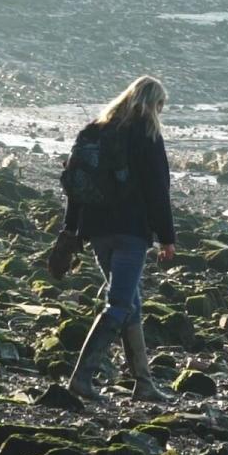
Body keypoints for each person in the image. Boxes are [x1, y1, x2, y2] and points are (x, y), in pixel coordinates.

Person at [64, 76, 177, 402]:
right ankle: (81, 379)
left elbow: (75, 183)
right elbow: (158, 190)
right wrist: (167, 238)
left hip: (97, 228)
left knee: (131, 303)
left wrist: (72, 228)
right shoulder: (146, 134)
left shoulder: (94, 131)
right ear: (154, 104)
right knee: (120, 304)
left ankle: (143, 383)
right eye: (160, 106)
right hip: (130, 231)